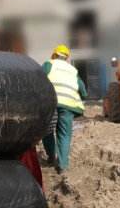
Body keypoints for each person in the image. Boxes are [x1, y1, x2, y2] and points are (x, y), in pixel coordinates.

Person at [42, 45, 87, 174]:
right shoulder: (72, 70)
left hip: (50, 103)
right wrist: (83, 97)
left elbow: (37, 79)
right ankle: (62, 165)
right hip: (67, 105)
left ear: (54, 55)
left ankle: (51, 157)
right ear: (66, 58)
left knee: (48, 130)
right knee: (64, 134)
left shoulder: (48, 65)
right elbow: (82, 88)